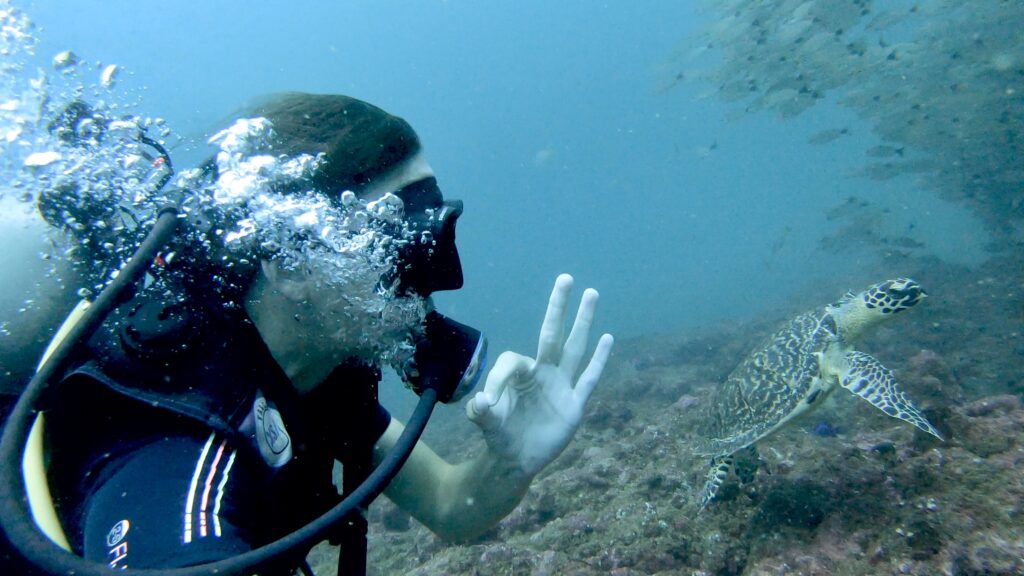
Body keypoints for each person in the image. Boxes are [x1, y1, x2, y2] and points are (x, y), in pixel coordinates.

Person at [24, 92, 614, 572]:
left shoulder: (319, 368)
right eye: (407, 246)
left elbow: (449, 505)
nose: (442, 277)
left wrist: (508, 465)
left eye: (437, 239)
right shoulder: (173, 435)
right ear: (290, 266)